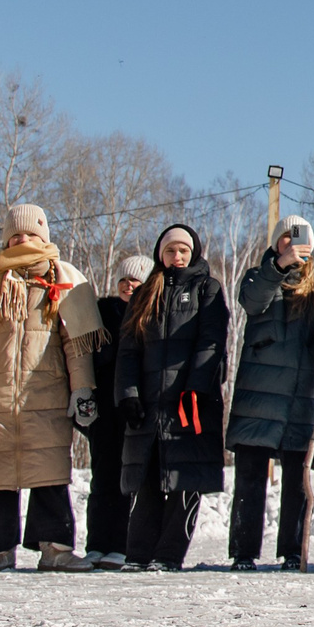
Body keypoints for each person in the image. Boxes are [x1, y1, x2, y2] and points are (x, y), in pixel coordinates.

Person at [0, 204, 102, 572]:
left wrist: (83, 390)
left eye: (30, 234)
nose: (22, 240)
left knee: (49, 468)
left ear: (44, 237)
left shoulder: (64, 280)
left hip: (44, 390)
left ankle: (55, 548)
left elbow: (77, 344)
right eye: (15, 235)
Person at [115, 223, 230, 571]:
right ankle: (137, 554)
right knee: (148, 481)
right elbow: (128, 350)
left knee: (183, 480)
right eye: (170, 251)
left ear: (192, 252)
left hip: (189, 404)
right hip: (149, 403)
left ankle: (168, 555)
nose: (176, 256)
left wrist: (197, 386)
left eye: (182, 250)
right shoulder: (144, 293)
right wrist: (128, 394)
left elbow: (212, 342)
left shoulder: (207, 289)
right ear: (160, 255)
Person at [227, 217, 314, 571]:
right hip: (257, 400)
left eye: (298, 238)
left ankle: (293, 552)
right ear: (275, 243)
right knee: (250, 481)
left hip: (300, 402)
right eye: (286, 237)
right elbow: (253, 302)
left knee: (297, 484)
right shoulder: (258, 280)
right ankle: (243, 553)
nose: (291, 243)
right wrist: (279, 265)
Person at [84, 254, 152, 568]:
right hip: (103, 410)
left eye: (135, 281)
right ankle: (97, 543)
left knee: (131, 479)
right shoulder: (102, 312)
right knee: (103, 478)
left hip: (137, 407)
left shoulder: (153, 316)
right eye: (124, 280)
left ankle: (124, 544)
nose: (128, 286)